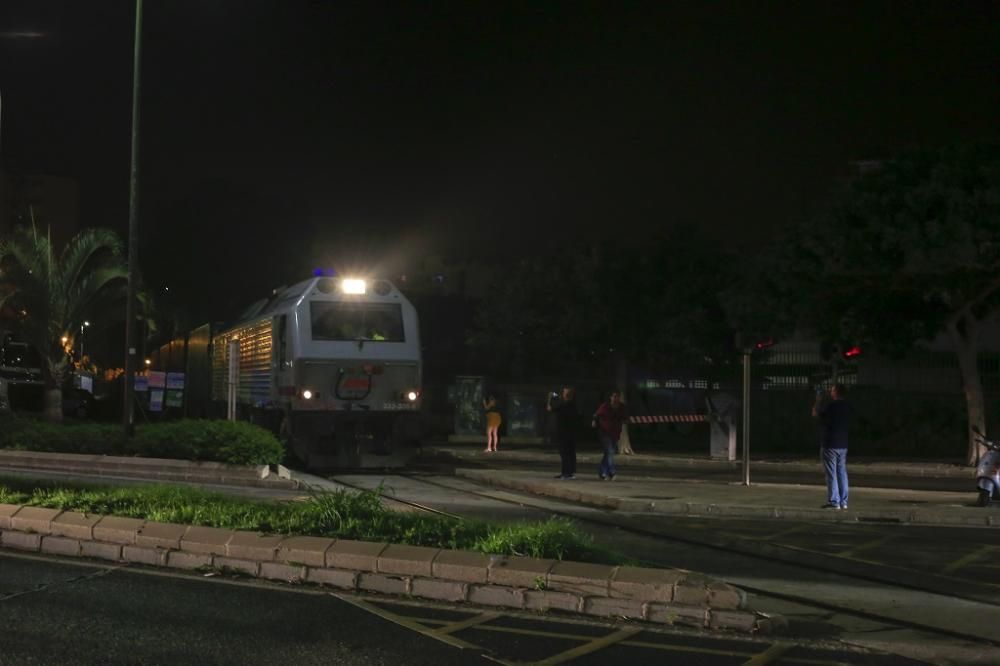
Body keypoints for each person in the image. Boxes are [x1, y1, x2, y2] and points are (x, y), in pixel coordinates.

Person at [812, 383, 851, 509]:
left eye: (832, 390)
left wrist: (818, 399)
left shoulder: (831, 406)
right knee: (842, 472)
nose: (830, 391)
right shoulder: (847, 406)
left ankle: (834, 501)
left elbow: (815, 414)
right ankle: (844, 501)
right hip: (843, 444)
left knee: (831, 474)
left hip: (830, 443)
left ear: (836, 392)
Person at [593, 390, 628, 480]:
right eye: (614, 396)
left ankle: (602, 472)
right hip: (605, 432)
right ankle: (612, 472)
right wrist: (594, 421)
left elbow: (625, 417)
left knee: (608, 453)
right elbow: (597, 414)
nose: (615, 398)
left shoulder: (621, 407)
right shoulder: (605, 406)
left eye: (617, 396)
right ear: (611, 397)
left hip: (615, 433)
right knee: (610, 451)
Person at [547, 387, 578, 479]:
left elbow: (550, 408)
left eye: (564, 393)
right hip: (571, 433)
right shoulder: (572, 405)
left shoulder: (563, 405)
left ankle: (566, 473)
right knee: (570, 453)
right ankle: (569, 472)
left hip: (564, 433)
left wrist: (550, 399)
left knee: (565, 453)